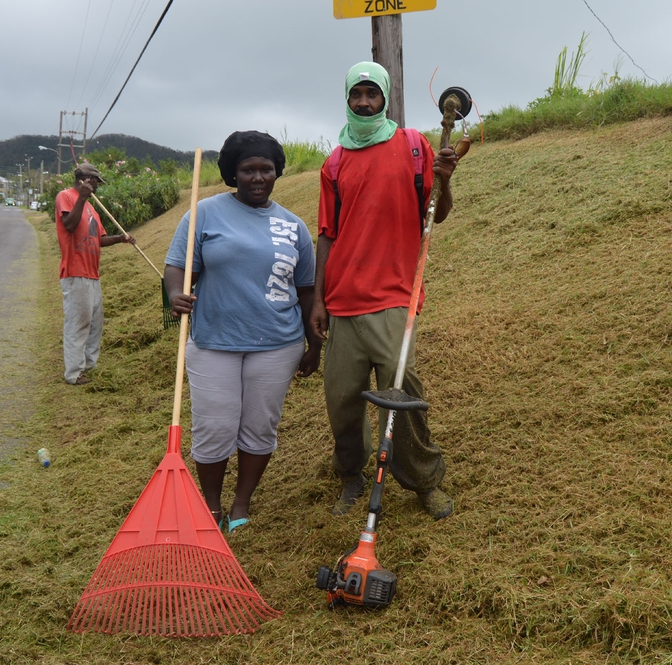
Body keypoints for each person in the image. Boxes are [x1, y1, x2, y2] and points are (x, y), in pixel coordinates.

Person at [310, 61, 460, 520]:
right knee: (342, 400)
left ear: (385, 97)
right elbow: (327, 234)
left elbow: (435, 214)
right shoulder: (335, 162)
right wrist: (318, 300)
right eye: (356, 94)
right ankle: (351, 475)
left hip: (394, 294)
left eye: (371, 93)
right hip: (342, 301)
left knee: (402, 391)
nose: (363, 102)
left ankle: (423, 479)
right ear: (347, 98)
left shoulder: (413, 146)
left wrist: (445, 180)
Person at [165, 131, 320, 533]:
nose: (258, 177)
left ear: (277, 172)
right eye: (248, 169)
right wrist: (175, 294)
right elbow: (178, 267)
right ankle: (211, 505)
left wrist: (313, 345)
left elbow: (306, 291)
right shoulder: (203, 214)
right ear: (233, 173)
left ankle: (241, 503)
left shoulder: (293, 226)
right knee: (214, 427)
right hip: (214, 342)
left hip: (278, 345)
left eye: (266, 169)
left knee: (259, 426)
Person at [55, 162, 136, 385]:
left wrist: (120, 238)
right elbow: (69, 225)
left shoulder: (92, 208)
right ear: (87, 180)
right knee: (78, 323)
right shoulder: (66, 196)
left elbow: (98, 239)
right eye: (96, 182)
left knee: (94, 324)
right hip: (75, 271)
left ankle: (89, 366)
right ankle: (73, 373)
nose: (97, 187)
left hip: (92, 274)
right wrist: (81, 197)